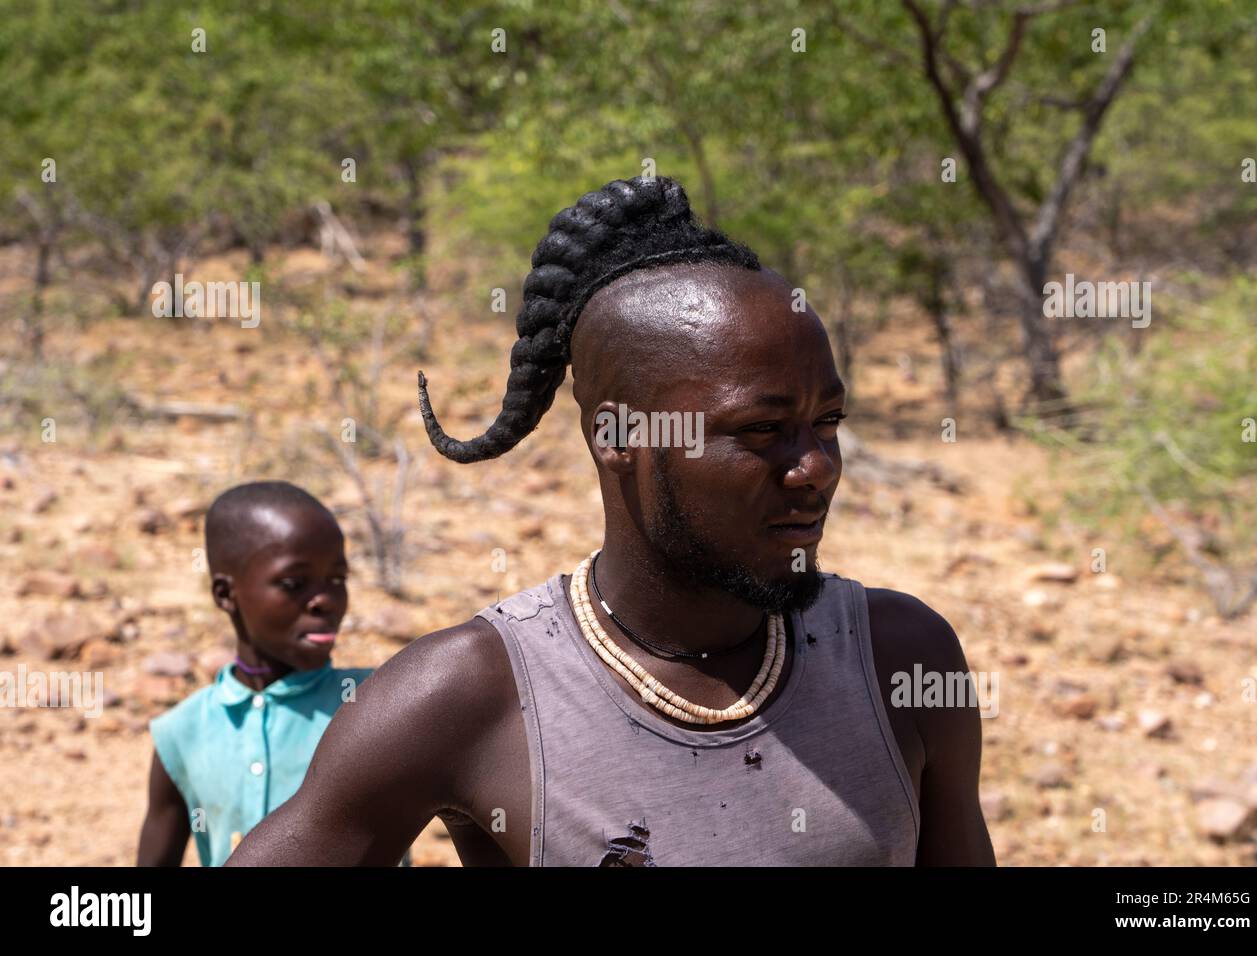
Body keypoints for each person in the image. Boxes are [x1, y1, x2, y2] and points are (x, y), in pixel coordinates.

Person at [228, 176, 995, 866]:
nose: (816, 466)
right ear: (619, 438)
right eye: (762, 431)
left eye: (826, 421)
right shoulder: (473, 697)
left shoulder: (899, 660)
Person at [136, 480, 381, 866]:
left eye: (337, 579)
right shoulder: (181, 733)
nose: (325, 600)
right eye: (293, 583)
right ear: (225, 594)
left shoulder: (377, 704)